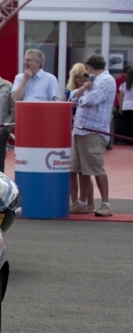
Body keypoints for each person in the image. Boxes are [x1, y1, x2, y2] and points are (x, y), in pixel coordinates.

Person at [69, 54, 116, 216]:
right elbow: (72, 97)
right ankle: (82, 203)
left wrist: (81, 95)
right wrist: (81, 92)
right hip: (82, 130)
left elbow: (90, 100)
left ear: (90, 67)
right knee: (82, 168)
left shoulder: (106, 80)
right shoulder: (96, 81)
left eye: (86, 71)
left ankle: (105, 204)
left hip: (94, 131)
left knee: (96, 167)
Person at [64, 63, 94, 211]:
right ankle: (75, 201)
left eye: (86, 75)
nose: (83, 78)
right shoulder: (69, 93)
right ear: (73, 78)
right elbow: (60, 111)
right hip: (70, 132)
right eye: (79, 75)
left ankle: (89, 202)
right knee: (72, 170)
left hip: (85, 132)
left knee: (85, 169)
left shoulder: (91, 91)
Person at [117, 68, 133, 143]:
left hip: (125, 105)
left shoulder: (123, 84)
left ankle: (125, 139)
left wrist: (120, 107)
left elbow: (121, 97)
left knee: (126, 123)